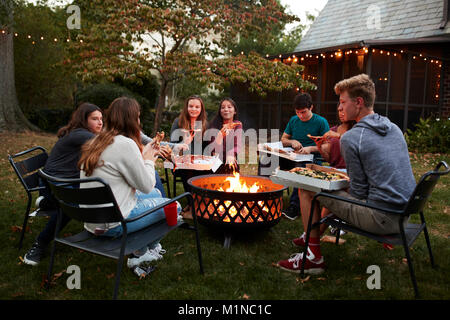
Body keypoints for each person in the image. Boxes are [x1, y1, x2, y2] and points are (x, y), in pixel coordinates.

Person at [277, 74, 416, 274]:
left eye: (343, 102)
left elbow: (358, 194)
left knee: (307, 189)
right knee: (325, 185)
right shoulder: (393, 128)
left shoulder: (352, 137)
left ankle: (313, 257)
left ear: (358, 102)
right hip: (404, 215)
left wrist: (331, 180)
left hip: (381, 219)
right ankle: (311, 235)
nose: (339, 107)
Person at [79, 97, 180, 269]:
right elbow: (146, 184)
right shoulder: (126, 144)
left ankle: (145, 249)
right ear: (132, 120)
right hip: (112, 223)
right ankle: (142, 253)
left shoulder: (96, 141)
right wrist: (149, 159)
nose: (139, 121)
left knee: (156, 194)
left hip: (93, 218)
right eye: (138, 117)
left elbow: (123, 172)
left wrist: (144, 155)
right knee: (175, 206)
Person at [23, 103, 103, 266]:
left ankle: (47, 202)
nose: (100, 122)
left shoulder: (81, 134)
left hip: (59, 180)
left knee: (97, 191)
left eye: (102, 119)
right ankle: (40, 244)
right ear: (83, 120)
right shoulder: (81, 135)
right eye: (95, 119)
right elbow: (109, 145)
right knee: (69, 208)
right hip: (55, 183)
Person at [280, 93, 330, 220]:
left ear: (311, 108)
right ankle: (268, 198)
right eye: (298, 112)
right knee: (267, 160)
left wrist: (310, 149)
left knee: (300, 167)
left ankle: (294, 208)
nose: (300, 115)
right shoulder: (293, 120)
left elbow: (327, 146)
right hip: (293, 156)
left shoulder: (321, 122)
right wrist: (292, 142)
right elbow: (284, 139)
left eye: (303, 112)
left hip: (313, 158)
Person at [170, 95, 210, 218]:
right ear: (186, 107)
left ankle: (194, 205)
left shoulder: (204, 124)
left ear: (201, 109)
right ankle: (194, 205)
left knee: (203, 170)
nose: (194, 109)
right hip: (181, 162)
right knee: (188, 169)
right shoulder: (179, 122)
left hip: (199, 162)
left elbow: (207, 147)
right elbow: (172, 144)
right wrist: (184, 142)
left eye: (197, 107)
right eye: (191, 106)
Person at [206, 97, 243, 174]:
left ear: (235, 111)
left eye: (229, 107)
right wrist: (220, 136)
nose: (226, 109)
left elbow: (237, 146)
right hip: (216, 160)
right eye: (223, 107)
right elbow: (213, 151)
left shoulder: (237, 125)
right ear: (220, 111)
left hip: (230, 160)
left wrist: (230, 154)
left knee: (231, 165)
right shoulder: (214, 125)